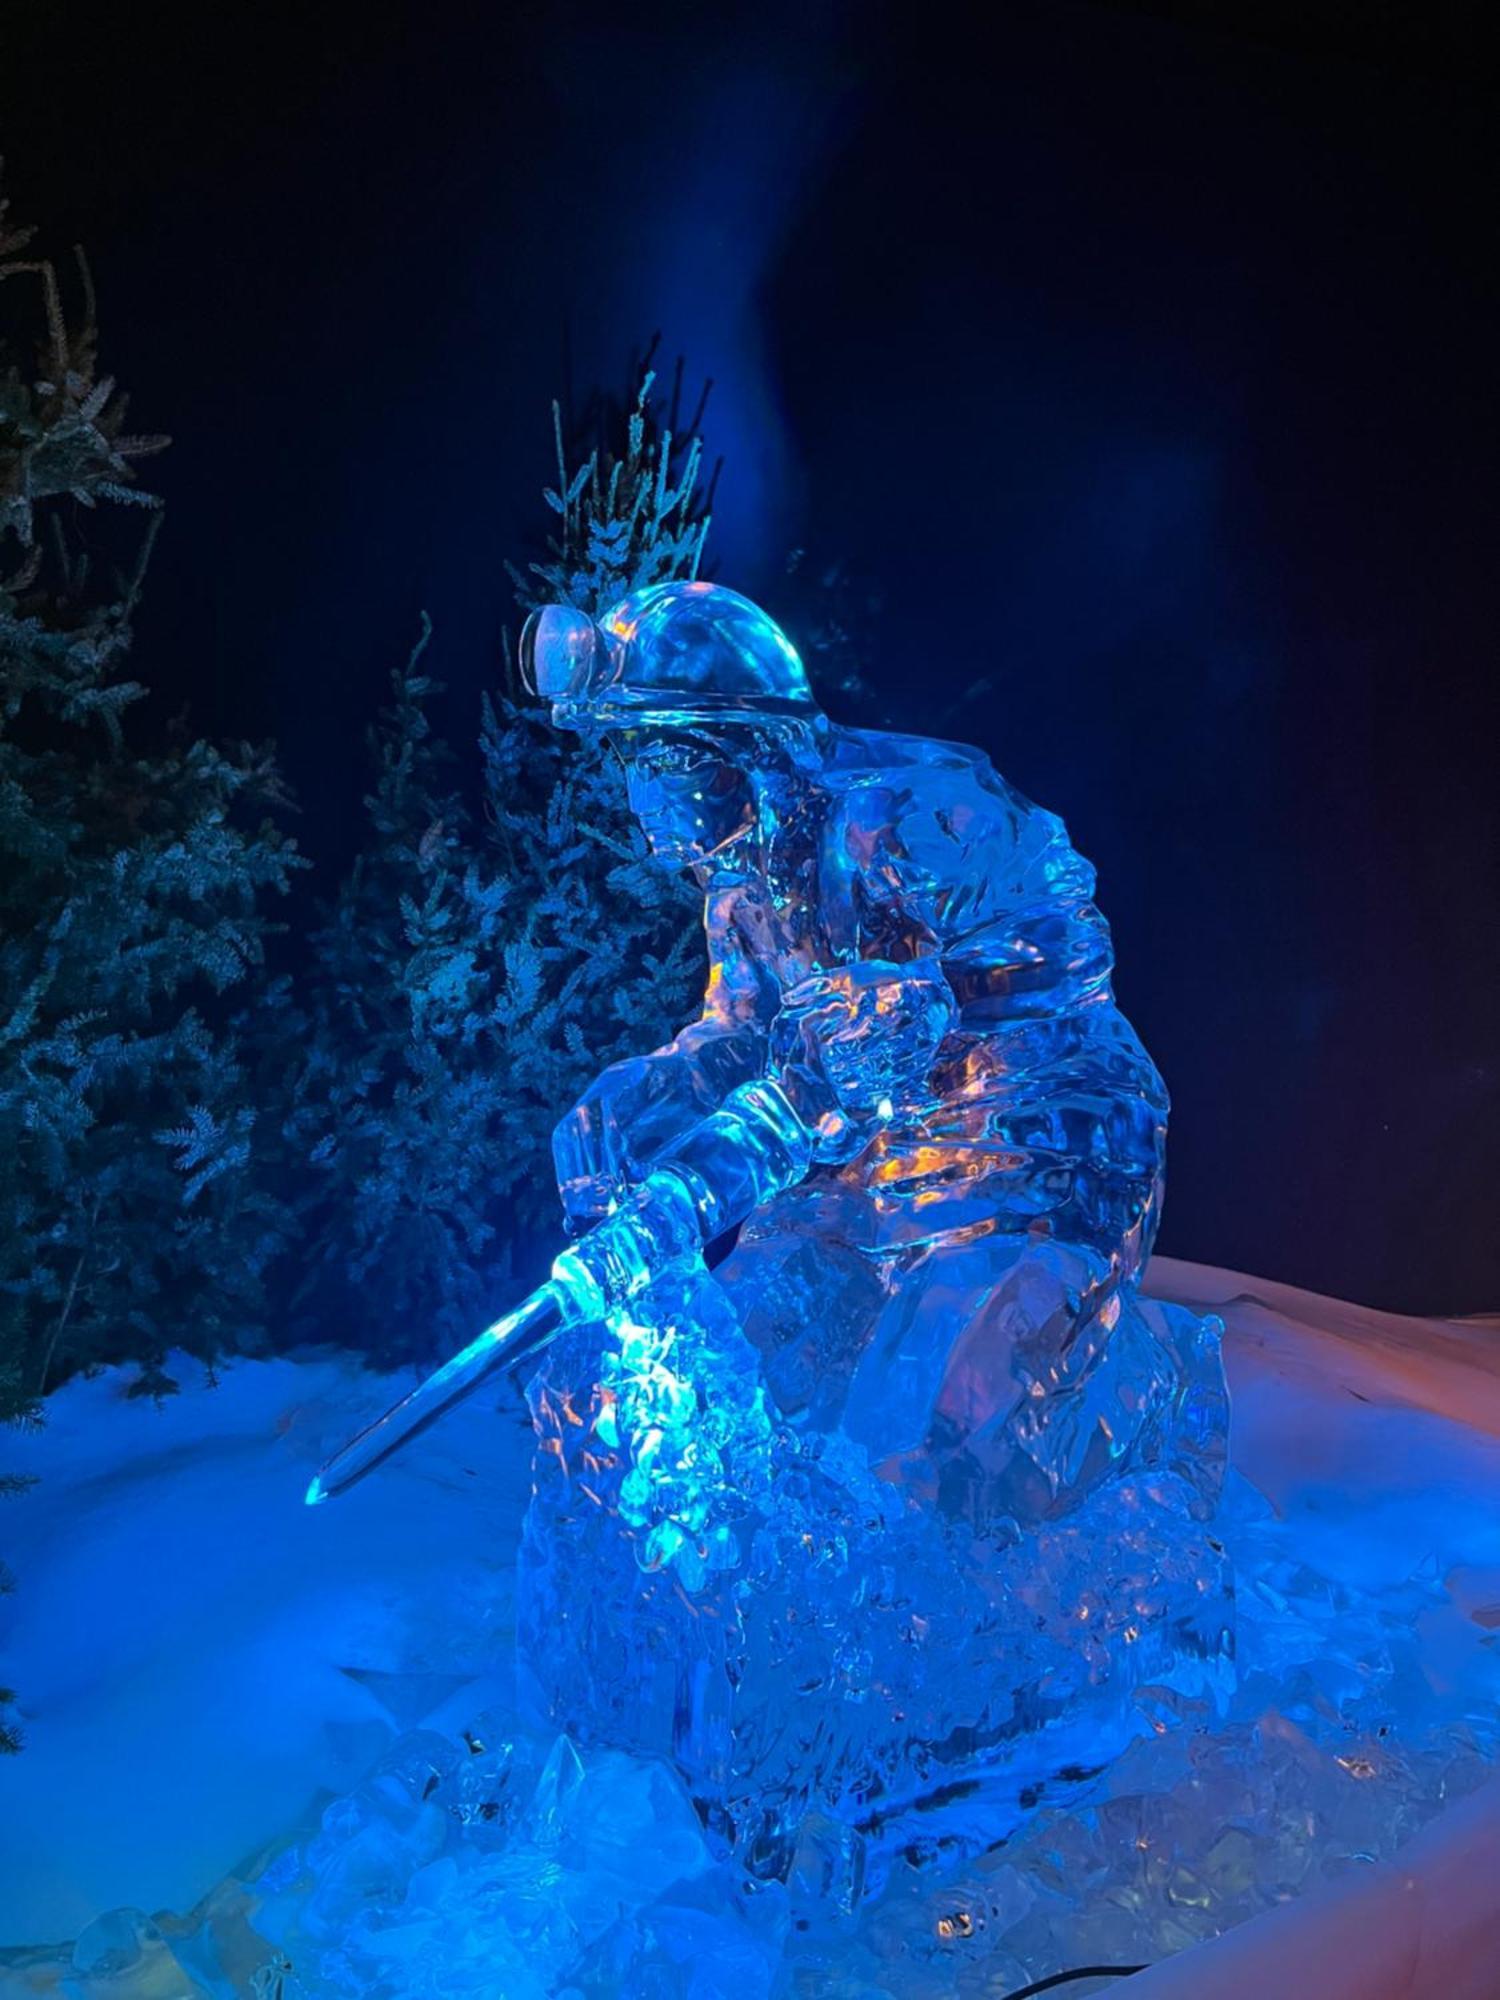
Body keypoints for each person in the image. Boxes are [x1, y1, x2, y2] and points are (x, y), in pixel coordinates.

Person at [523, 578, 1188, 1531]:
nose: (644, 807)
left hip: (1034, 1149)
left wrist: (923, 1008)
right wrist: (651, 1094)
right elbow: (748, 1032)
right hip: (862, 1169)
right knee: (746, 1363)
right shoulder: (742, 886)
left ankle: (1115, 1424)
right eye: (629, 764)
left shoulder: (906, 817)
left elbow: (1051, 960)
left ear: (736, 749)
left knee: (934, 1420)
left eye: (658, 762)